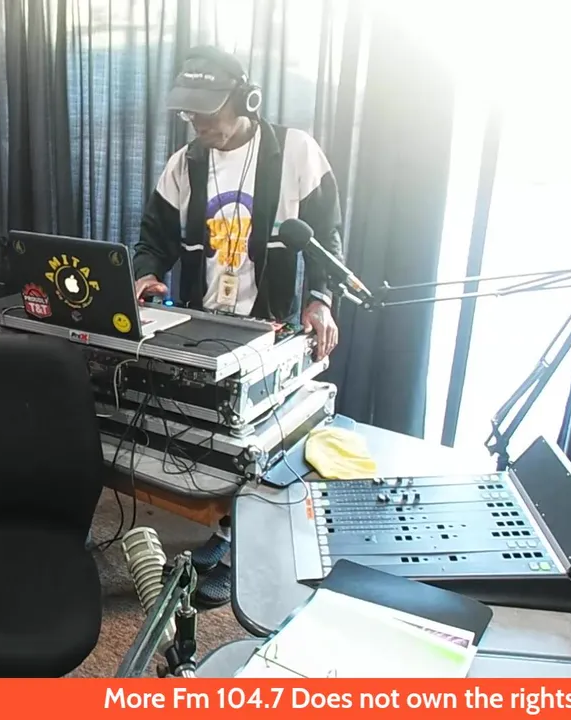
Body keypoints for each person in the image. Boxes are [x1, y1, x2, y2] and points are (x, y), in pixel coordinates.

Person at [132, 46, 346, 608]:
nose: (197, 124)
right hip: (203, 320)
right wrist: (147, 275)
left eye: (207, 111)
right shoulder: (185, 163)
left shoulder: (295, 152)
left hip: (269, 322)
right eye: (189, 113)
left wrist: (321, 299)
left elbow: (326, 236)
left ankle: (235, 545)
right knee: (212, 435)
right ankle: (223, 526)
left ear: (246, 100)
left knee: (259, 440)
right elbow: (154, 236)